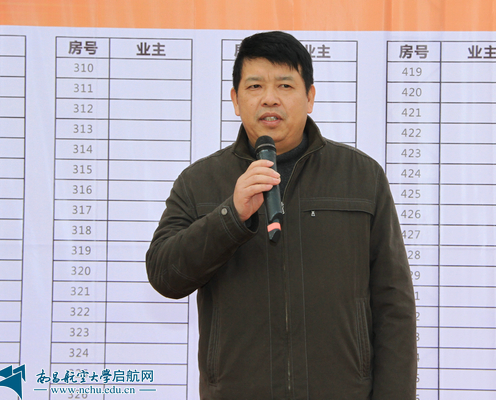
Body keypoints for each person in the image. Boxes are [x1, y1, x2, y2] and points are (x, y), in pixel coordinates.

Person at [146, 31, 417, 399]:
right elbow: (164, 275)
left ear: (310, 97)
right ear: (235, 100)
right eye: (255, 86)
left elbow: (394, 303)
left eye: (285, 85)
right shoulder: (200, 181)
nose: (269, 98)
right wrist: (231, 215)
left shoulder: (361, 176)